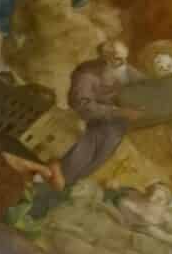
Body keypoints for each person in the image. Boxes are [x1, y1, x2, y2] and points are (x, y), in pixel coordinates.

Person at [60, 39, 143, 186]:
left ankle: (71, 183)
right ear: (104, 57)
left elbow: (145, 83)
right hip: (87, 120)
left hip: (114, 124)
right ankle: (62, 179)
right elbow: (82, 106)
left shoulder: (124, 69)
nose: (123, 64)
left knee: (104, 150)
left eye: (125, 59)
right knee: (79, 157)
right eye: (118, 59)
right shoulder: (86, 73)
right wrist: (119, 112)